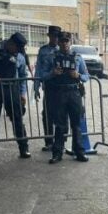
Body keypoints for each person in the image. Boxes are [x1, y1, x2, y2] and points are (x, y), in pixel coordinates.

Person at [39, 31, 90, 164]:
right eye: (62, 41)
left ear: (70, 42)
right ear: (58, 42)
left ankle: (79, 152)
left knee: (76, 125)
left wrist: (78, 75)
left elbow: (86, 76)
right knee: (60, 125)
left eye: (67, 41)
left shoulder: (78, 58)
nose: (64, 43)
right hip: (59, 93)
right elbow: (42, 75)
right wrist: (52, 73)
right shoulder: (51, 57)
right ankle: (57, 153)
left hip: (74, 93)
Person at [0, 32, 31, 159]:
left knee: (18, 119)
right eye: (17, 48)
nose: (18, 51)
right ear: (11, 43)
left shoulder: (19, 56)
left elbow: (22, 75)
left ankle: (23, 147)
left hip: (11, 89)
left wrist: (22, 93)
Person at [35, 25, 61, 151]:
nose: (55, 39)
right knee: (47, 115)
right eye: (53, 36)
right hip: (49, 87)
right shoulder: (43, 51)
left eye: (57, 36)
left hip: (62, 87)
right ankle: (49, 141)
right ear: (49, 36)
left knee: (60, 115)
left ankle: (60, 141)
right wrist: (36, 87)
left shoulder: (63, 49)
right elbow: (38, 70)